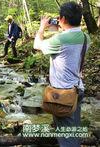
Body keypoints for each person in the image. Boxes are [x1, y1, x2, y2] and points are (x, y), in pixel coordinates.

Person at [33, 2, 91, 147]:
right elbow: (70, 45)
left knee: (67, 139)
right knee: (73, 130)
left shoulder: (59, 40)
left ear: (63, 19)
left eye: (59, 18)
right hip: (77, 90)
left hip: (63, 96)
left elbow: (36, 45)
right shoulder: (85, 38)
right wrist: (60, 28)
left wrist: (42, 28)